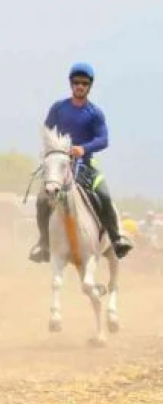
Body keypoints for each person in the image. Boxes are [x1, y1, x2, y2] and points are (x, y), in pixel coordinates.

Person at [30, 63, 133, 263]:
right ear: (71, 84)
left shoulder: (95, 113)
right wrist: (53, 150)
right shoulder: (58, 108)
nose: (80, 86)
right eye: (76, 82)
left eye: (84, 83)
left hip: (85, 165)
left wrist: (83, 149)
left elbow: (103, 139)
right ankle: (43, 244)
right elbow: (47, 131)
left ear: (89, 86)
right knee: (42, 200)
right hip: (59, 165)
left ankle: (116, 239)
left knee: (103, 194)